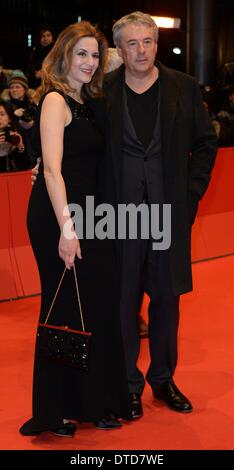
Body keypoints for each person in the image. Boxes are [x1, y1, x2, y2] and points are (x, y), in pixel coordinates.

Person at [102, 11, 217, 419]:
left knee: (166, 300)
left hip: (170, 213)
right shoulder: (104, 90)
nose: (141, 51)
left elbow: (206, 142)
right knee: (124, 300)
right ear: (119, 49)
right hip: (117, 217)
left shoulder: (183, 88)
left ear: (156, 43)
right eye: (131, 43)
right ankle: (129, 383)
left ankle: (163, 379)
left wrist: (192, 193)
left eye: (147, 41)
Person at [20, 21, 131, 438]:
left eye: (94, 54)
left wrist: (107, 51)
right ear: (63, 55)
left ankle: (98, 400)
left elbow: (121, 62)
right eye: (80, 53)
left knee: (99, 304)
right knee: (64, 309)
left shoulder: (90, 100)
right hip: (59, 217)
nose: (89, 61)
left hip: (95, 216)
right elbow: (51, 169)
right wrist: (68, 229)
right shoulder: (53, 100)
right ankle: (58, 406)